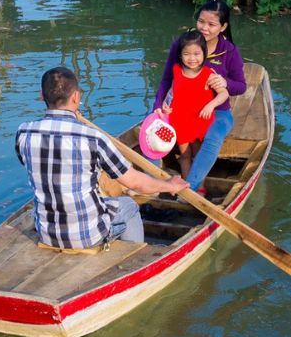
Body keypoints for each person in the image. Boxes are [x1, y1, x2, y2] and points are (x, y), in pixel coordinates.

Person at [16, 67, 187, 250]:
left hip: (47, 234)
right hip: (88, 237)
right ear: (76, 97)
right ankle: (134, 256)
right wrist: (169, 185)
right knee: (128, 205)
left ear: (42, 95)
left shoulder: (24, 132)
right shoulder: (93, 138)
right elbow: (135, 182)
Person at [153, 0, 246, 193]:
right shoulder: (182, 45)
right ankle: (150, 182)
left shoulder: (229, 51)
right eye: (201, 21)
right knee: (152, 131)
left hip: (216, 111)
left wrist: (225, 82)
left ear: (223, 27)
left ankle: (191, 190)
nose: (204, 28)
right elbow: (166, 80)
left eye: (211, 24)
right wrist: (159, 109)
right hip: (181, 110)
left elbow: (241, 86)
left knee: (213, 138)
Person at [159, 30, 230, 180]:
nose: (192, 58)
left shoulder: (208, 74)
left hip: (199, 120)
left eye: (197, 54)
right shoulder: (177, 70)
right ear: (180, 55)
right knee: (185, 155)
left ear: (204, 53)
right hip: (180, 120)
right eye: (187, 54)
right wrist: (166, 105)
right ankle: (186, 187)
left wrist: (211, 105)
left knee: (198, 156)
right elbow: (172, 90)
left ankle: (199, 187)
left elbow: (224, 94)